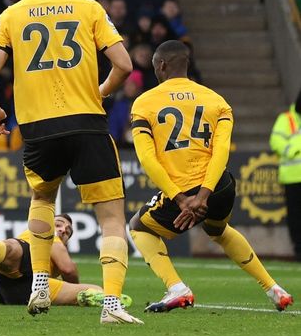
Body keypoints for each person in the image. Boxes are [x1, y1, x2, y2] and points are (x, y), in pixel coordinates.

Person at [0, 0, 140, 324]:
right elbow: (124, 64)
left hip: (38, 128)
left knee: (43, 198)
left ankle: (38, 284)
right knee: (112, 219)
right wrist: (101, 91)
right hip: (86, 121)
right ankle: (112, 305)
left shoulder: (11, 15)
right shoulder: (90, 9)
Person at [129, 40, 294, 313]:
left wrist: (183, 199)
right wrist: (205, 195)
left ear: (161, 66)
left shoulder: (144, 103)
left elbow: (148, 159)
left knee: (138, 226)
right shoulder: (217, 101)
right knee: (218, 230)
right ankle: (274, 288)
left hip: (182, 189)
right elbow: (221, 152)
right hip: (220, 187)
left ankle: (176, 288)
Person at [0, 213, 133, 308]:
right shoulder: (47, 234)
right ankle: (88, 296)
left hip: (16, 292)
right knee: (14, 248)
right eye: (59, 224)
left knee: (9, 249)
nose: (63, 230)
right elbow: (68, 269)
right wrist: (73, 286)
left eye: (68, 231)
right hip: (29, 273)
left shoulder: (49, 242)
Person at [269, 86, 301, 262]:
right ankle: (298, 250)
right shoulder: (286, 119)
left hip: (293, 176)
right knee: (295, 216)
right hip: (292, 177)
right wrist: (295, 149)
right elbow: (276, 141)